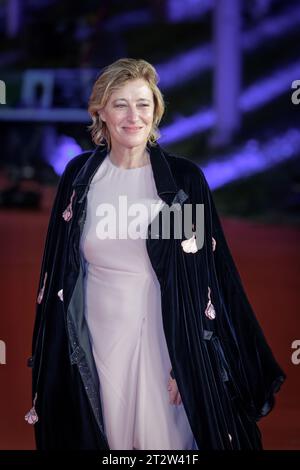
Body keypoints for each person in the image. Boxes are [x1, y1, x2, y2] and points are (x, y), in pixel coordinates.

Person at [26, 58, 285, 450]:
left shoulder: (179, 183)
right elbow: (59, 271)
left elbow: (198, 277)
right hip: (94, 346)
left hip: (162, 345)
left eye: (143, 104)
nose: (134, 116)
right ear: (101, 112)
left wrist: (189, 362)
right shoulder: (81, 179)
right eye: (121, 104)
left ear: (156, 110)